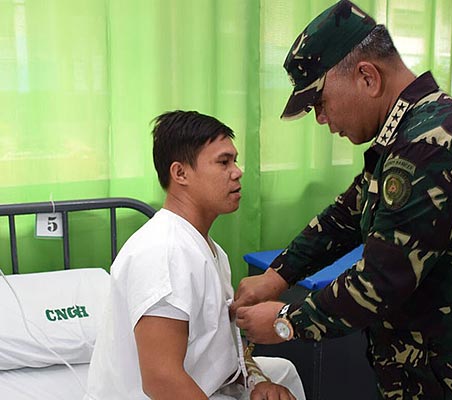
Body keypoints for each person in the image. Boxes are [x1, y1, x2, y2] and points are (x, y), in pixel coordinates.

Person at [233, 1, 452, 399]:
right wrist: (277, 275)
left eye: (320, 102)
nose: (321, 118)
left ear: (367, 77)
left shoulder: (434, 143)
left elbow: (380, 280)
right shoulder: (404, 135)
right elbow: (345, 216)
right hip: (432, 368)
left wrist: (287, 321)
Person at [85, 110, 305, 400]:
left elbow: (218, 350)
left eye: (235, 161)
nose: (237, 171)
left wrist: (256, 382)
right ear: (180, 173)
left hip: (204, 386)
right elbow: (162, 380)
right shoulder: (163, 254)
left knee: (282, 373)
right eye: (223, 162)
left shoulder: (207, 248)